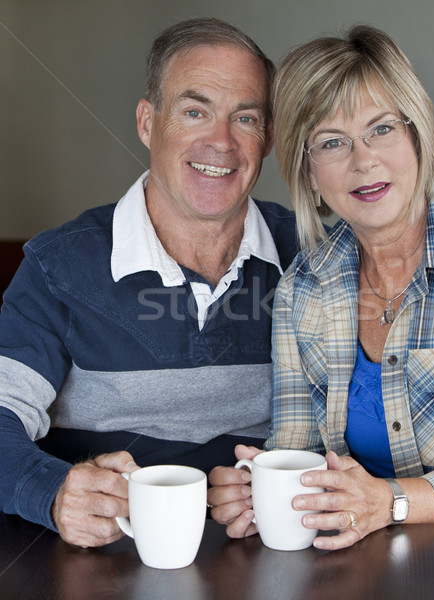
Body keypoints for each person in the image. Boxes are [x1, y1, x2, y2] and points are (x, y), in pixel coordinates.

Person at [208, 24, 434, 550]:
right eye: (331, 142)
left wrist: (387, 502)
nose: (363, 159)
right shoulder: (304, 287)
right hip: (356, 564)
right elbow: (296, 449)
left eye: (381, 129)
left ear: (417, 134)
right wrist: (265, 491)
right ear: (309, 172)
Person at [0, 17, 298, 548]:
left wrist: (277, 479)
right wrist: (51, 491)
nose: (221, 142)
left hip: (264, 552)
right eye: (194, 111)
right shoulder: (58, 265)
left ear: (268, 138)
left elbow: (363, 422)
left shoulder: (311, 255)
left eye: (245, 118)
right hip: (96, 556)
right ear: (146, 123)